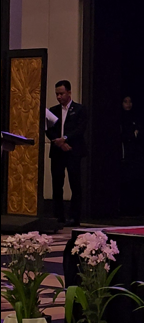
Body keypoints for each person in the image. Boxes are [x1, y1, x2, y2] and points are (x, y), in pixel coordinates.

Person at [46, 80, 88, 226]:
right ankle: (58, 216)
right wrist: (58, 142)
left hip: (73, 150)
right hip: (57, 151)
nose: (59, 97)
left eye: (61, 94)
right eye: (57, 94)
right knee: (57, 184)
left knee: (75, 183)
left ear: (69, 92)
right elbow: (48, 129)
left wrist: (65, 139)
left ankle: (74, 217)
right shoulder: (53, 110)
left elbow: (80, 129)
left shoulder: (79, 109)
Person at [120, 95, 144, 217]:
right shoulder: (120, 118)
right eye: (125, 101)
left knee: (136, 180)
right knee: (126, 180)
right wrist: (131, 135)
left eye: (130, 102)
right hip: (125, 153)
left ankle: (135, 207)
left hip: (135, 153)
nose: (128, 104)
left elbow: (139, 133)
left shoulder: (136, 117)